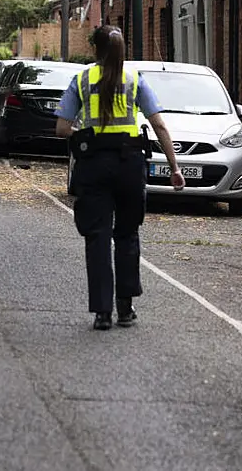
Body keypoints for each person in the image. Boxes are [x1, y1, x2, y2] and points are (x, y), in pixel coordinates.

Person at [54, 25, 185, 330]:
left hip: (93, 166)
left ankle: (102, 312)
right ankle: (125, 308)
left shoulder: (83, 79)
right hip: (129, 165)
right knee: (127, 234)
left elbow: (61, 128)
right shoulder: (135, 79)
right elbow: (160, 126)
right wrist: (174, 168)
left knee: (97, 237)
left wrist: (85, 135)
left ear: (94, 49)